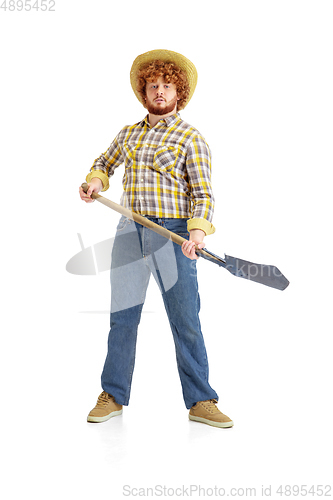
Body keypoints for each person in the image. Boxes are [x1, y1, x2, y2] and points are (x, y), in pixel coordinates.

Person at [79, 49, 233, 428]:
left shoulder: (190, 138)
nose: (159, 91)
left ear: (177, 91)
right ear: (143, 92)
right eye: (152, 86)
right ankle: (112, 394)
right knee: (123, 317)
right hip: (130, 230)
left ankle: (201, 400)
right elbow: (104, 163)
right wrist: (94, 183)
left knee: (186, 320)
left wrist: (196, 233)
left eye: (166, 85)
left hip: (175, 233)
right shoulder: (128, 134)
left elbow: (203, 194)